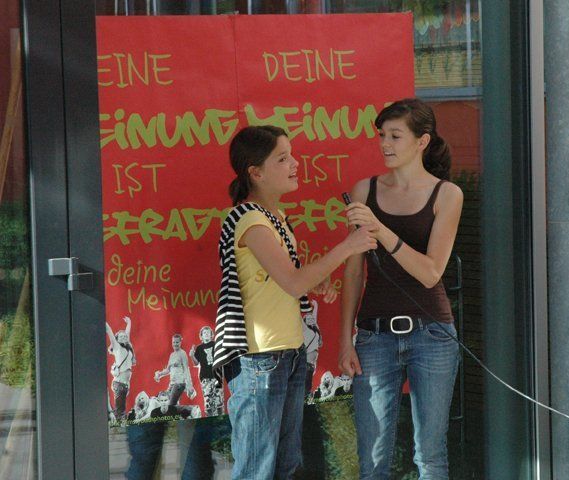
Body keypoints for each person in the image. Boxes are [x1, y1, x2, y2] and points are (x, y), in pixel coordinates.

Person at [212, 125, 377, 480]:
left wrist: (314, 283)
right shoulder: (250, 219)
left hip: (287, 352)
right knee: (257, 469)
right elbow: (291, 281)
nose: (295, 164)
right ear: (256, 172)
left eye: (291, 156)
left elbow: (282, 280)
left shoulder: (274, 218)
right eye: (282, 159)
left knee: (284, 465)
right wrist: (348, 246)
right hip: (259, 357)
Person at [339, 98, 464, 479]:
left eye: (395, 136)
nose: (385, 144)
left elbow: (431, 273)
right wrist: (345, 339)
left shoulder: (447, 194)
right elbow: (354, 272)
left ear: (422, 141)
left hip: (433, 333)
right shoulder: (364, 190)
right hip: (374, 335)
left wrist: (380, 230)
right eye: (382, 135)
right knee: (372, 458)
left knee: (430, 455)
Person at [106, 315, 136, 421]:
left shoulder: (128, 348)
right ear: (117, 339)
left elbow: (127, 333)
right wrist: (104, 321)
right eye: (121, 337)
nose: (124, 337)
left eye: (125, 336)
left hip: (125, 384)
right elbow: (109, 331)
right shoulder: (116, 347)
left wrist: (129, 323)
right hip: (119, 383)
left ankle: (113, 421)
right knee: (120, 411)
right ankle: (117, 427)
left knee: (120, 409)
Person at [190, 326, 224, 416]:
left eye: (208, 332)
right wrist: (192, 355)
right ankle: (210, 418)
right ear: (201, 336)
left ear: (211, 335)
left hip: (216, 376)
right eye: (204, 333)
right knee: (208, 400)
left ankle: (221, 419)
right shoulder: (199, 348)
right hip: (205, 377)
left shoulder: (215, 344)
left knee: (219, 400)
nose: (206, 334)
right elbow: (196, 363)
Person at [154, 334, 196, 406]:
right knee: (165, 403)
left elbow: (186, 370)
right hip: (172, 384)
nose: (175, 344)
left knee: (171, 404)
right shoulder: (172, 355)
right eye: (174, 342)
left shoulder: (182, 353)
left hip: (179, 383)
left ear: (180, 343)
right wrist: (159, 374)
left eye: (177, 342)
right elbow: (168, 370)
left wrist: (190, 385)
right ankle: (184, 411)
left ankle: (191, 409)